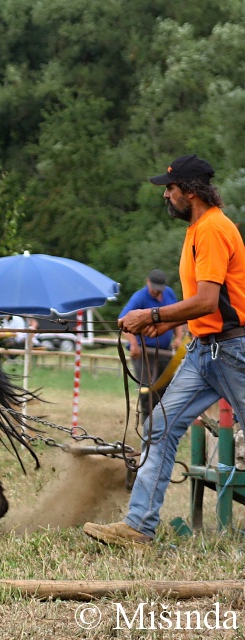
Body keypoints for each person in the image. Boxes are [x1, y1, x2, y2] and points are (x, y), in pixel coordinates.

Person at [85, 154, 245, 546]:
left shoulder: (212, 230)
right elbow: (204, 304)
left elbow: (208, 301)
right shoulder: (197, 229)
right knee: (159, 427)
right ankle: (139, 526)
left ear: (190, 191)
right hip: (204, 351)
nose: (166, 196)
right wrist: (159, 321)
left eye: (169, 189)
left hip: (232, 350)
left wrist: (152, 313)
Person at [118, 269, 185, 410]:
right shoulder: (139, 297)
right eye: (154, 288)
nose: (156, 292)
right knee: (147, 390)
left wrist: (178, 337)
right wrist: (134, 344)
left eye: (159, 289)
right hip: (143, 353)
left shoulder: (169, 293)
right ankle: (147, 424)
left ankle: (163, 424)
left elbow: (177, 316)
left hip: (164, 352)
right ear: (148, 282)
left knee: (165, 389)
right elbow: (123, 320)